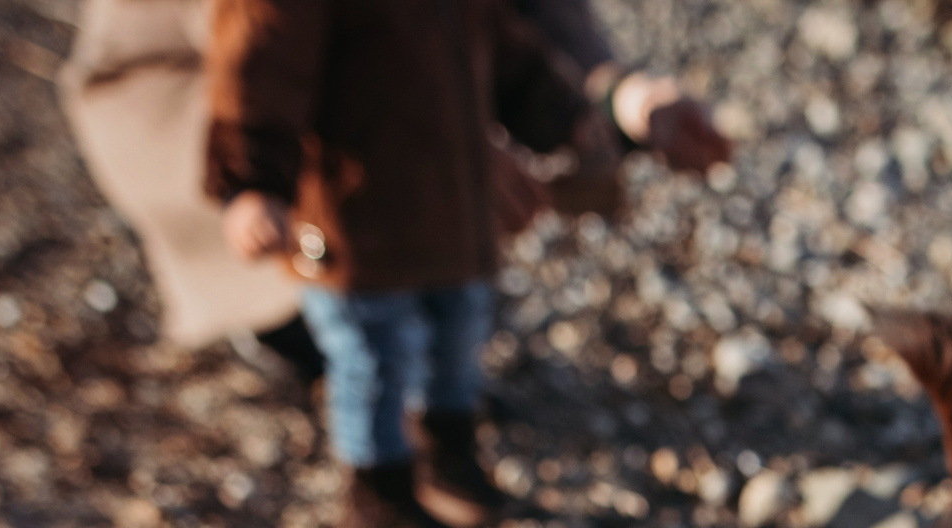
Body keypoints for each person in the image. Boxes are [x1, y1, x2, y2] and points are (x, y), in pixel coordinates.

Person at [58, 0, 730, 390]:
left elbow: (527, 19)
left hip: (372, 81)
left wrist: (622, 102)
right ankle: (292, 316)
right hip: (196, 92)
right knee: (351, 310)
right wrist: (444, 138)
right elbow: (259, 45)